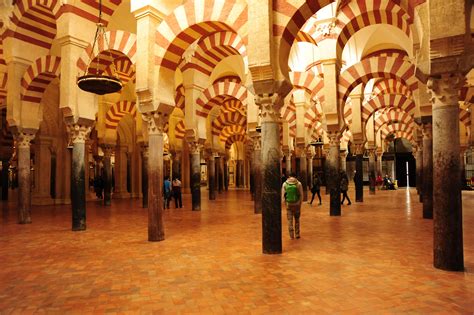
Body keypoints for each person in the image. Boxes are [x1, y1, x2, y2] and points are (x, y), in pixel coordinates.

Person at [281, 173, 304, 239]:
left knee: (289, 220)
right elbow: (301, 195)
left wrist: (285, 203)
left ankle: (291, 235)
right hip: (297, 204)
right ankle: (297, 234)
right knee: (297, 220)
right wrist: (300, 203)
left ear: (289, 176)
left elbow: (283, 195)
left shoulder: (285, 184)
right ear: (295, 176)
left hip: (289, 204)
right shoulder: (298, 183)